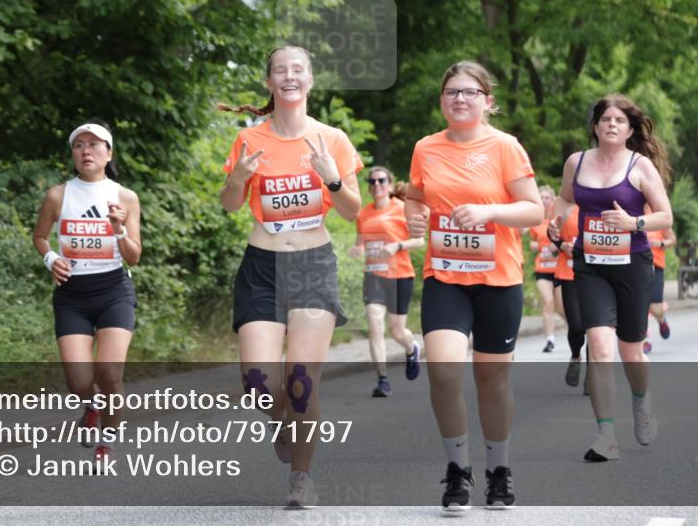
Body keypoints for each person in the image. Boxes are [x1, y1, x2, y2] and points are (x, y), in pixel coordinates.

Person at [219, 45, 363, 509]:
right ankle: (280, 420)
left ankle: (302, 478)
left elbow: (352, 210)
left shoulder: (331, 139)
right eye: (280, 70)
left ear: (310, 80)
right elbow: (229, 204)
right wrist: (239, 178)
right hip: (262, 266)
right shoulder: (249, 140)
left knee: (302, 380)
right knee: (259, 385)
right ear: (269, 82)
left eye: (297, 69)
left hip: (312, 264)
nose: (289, 76)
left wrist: (332, 178)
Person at [405, 61, 543, 511]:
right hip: (445, 276)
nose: (459, 99)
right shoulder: (426, 147)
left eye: (468, 92)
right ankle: (457, 470)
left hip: (497, 279)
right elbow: (414, 196)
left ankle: (499, 471)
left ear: (487, 100)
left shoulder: (505, 147)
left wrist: (488, 214)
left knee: (491, 379)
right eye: (451, 92)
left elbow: (533, 210)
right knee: (444, 370)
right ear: (442, 100)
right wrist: (413, 215)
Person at [549, 94, 672, 462]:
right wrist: (558, 218)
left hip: (633, 264)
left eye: (620, 120)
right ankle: (606, 436)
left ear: (630, 129)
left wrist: (633, 222)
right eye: (606, 119)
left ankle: (641, 401)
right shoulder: (577, 162)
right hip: (591, 266)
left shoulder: (640, 166)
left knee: (630, 351)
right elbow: (565, 198)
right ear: (596, 126)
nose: (612, 125)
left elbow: (665, 216)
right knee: (599, 348)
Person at [32, 122, 142, 467]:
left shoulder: (125, 197)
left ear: (108, 153)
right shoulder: (57, 195)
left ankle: (107, 441)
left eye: (95, 144)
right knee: (80, 381)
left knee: (109, 373)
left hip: (113, 292)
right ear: (73, 154)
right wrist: (51, 258)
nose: (86, 150)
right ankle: (92, 406)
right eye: (79, 145)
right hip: (72, 296)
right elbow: (39, 237)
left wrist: (119, 229)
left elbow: (135, 255)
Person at [350, 166, 423, 397]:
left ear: (390, 185)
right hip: (373, 275)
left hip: (400, 275)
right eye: (372, 182)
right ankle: (382, 380)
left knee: (397, 331)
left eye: (381, 181)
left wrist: (397, 245)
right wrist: (357, 249)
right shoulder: (363, 213)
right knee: (374, 325)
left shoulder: (402, 208)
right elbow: (361, 242)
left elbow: (419, 241)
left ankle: (411, 349)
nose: (377, 185)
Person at [551, 206, 585, 391]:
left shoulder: (606, 200)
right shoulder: (566, 205)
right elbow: (552, 234)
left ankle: (593, 375)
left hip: (598, 275)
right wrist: (562, 245)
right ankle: (575, 355)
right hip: (569, 273)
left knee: (594, 326)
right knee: (576, 326)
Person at [528, 185, 561, 353]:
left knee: (562, 308)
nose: (544, 201)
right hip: (542, 268)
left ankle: (577, 332)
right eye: (541, 198)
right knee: (547, 302)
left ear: (553, 199)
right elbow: (531, 243)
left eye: (547, 197)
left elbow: (568, 239)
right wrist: (542, 247)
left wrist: (557, 246)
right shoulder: (535, 221)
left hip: (560, 269)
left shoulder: (559, 218)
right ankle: (550, 339)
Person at [643, 215, 676, 353]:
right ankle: (644, 340)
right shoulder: (632, 212)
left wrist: (660, 243)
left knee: (655, 308)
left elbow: (673, 240)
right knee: (640, 305)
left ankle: (661, 319)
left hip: (656, 265)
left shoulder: (658, 215)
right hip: (638, 266)